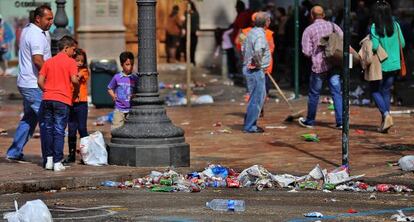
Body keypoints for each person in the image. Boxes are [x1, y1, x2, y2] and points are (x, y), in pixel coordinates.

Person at [6, 5, 53, 161]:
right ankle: (50, 157)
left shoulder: (29, 29)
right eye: (48, 19)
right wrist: (52, 74)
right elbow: (38, 60)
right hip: (34, 85)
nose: (51, 22)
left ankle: (13, 152)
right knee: (47, 120)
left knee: (29, 119)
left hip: (26, 82)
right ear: (38, 19)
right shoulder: (36, 34)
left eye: (52, 18)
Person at [38, 36, 79, 171]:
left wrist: (47, 91)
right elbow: (74, 80)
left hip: (47, 98)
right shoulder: (71, 62)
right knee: (59, 130)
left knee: (48, 129)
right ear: (66, 48)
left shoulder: (48, 62)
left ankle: (49, 160)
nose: (74, 53)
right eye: (73, 49)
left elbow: (40, 81)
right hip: (62, 100)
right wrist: (76, 90)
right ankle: (57, 162)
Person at [298, 5, 343, 129]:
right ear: (323, 15)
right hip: (334, 64)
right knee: (336, 93)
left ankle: (310, 121)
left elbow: (306, 52)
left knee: (314, 94)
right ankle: (340, 122)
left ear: (312, 16)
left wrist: (316, 52)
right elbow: (342, 40)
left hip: (319, 66)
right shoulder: (334, 26)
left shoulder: (309, 30)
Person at [370, 1, 405, 133]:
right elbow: (402, 42)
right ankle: (385, 123)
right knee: (386, 91)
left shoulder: (375, 27)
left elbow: (374, 46)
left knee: (374, 90)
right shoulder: (395, 25)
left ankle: (386, 114)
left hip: (381, 64)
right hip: (394, 64)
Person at [241, 12, 271, 133]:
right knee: (257, 99)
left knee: (258, 96)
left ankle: (249, 121)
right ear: (266, 22)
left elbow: (243, 48)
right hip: (256, 70)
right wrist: (258, 64)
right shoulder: (259, 35)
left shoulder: (251, 32)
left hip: (252, 68)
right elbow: (258, 51)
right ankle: (250, 126)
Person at [63, 48, 89, 163]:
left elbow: (78, 77)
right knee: (72, 129)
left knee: (82, 128)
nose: (79, 63)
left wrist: (73, 73)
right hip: (71, 103)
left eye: (81, 61)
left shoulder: (84, 71)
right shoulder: (68, 70)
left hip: (82, 103)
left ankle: (86, 154)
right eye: (77, 60)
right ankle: (71, 154)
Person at [107, 51, 137, 130]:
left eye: (132, 64)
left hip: (131, 109)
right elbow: (110, 88)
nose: (130, 67)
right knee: (116, 129)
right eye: (127, 64)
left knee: (131, 130)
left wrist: (135, 95)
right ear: (121, 65)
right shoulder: (117, 77)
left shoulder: (135, 78)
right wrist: (113, 95)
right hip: (119, 109)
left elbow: (139, 91)